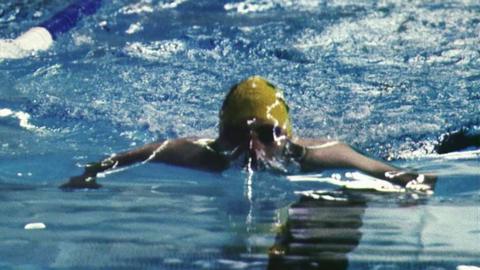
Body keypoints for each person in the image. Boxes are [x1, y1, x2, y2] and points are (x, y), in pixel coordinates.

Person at [61, 76, 436, 190]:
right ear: (220, 135)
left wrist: (413, 188)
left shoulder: (322, 153)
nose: (253, 148)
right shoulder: (194, 152)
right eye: (239, 136)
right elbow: (124, 158)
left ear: (286, 136)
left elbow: (398, 174)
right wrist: (90, 174)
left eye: (267, 135)